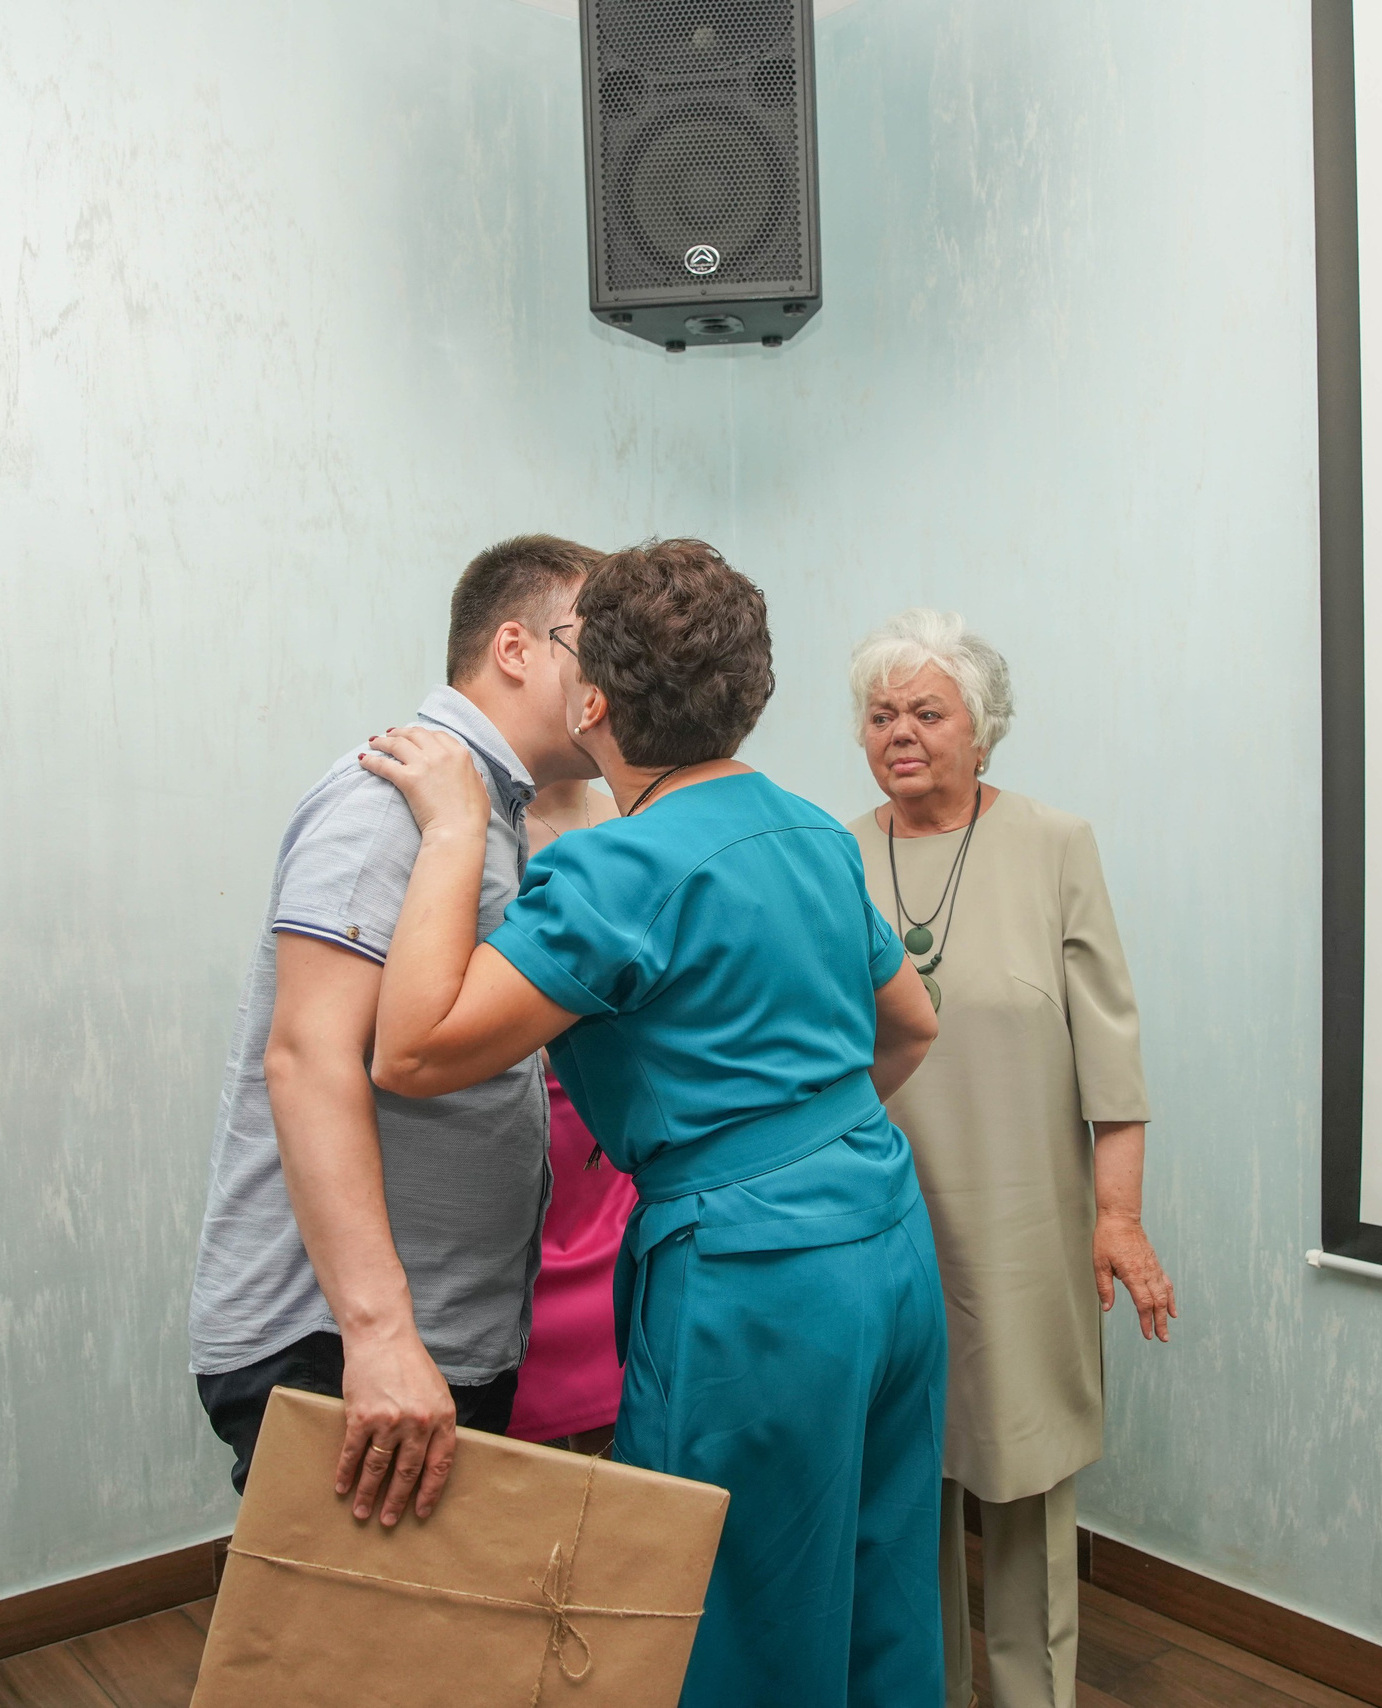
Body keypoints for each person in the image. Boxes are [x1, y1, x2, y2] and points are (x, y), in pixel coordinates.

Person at [356, 539, 949, 1708]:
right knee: (879, 1593)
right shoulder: (814, 831)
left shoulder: (619, 869)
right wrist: (802, 1142)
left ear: (594, 701)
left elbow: (413, 1048)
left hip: (752, 1286)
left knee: (726, 1615)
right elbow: (911, 1026)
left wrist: (450, 825)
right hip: (887, 1240)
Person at [185, 534, 601, 1528]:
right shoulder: (391, 799)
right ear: (516, 647)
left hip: (435, 1337)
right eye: (600, 642)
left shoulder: (483, 809)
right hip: (341, 1341)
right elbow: (307, 1056)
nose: (618, 676)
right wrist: (377, 1334)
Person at [843, 609, 1175, 1708]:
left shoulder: (1053, 845)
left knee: (1024, 1482)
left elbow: (1110, 1062)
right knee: (899, 1487)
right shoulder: (835, 854)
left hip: (1024, 1231)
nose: (901, 733)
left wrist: (1116, 1216)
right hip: (882, 1225)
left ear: (981, 732)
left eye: (926, 712)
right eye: (881, 714)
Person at [506, 776, 635, 1453]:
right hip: (520, 1118)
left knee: (624, 1381)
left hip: (614, 1129)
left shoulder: (636, 814)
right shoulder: (485, 819)